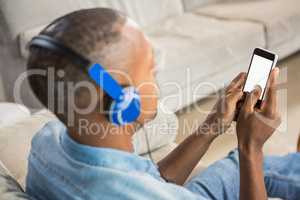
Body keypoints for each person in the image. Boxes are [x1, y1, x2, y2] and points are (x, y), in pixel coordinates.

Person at [26, 8, 300, 200]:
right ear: (121, 100)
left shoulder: (46, 141)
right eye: (149, 67)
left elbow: (146, 181)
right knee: (247, 163)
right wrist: (250, 148)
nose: (158, 71)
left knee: (237, 167)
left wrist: (211, 127)